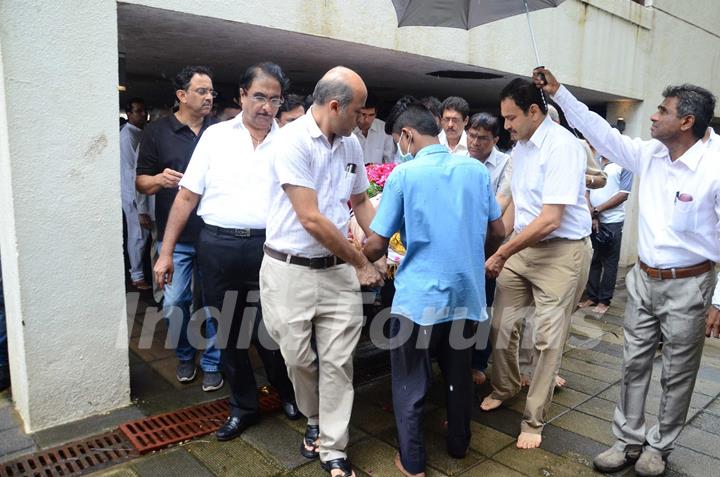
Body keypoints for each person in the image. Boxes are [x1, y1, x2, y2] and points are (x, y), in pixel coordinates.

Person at [536, 67, 720, 476]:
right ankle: (627, 440)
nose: (653, 117)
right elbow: (602, 133)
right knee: (633, 362)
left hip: (690, 284)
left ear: (686, 122)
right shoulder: (650, 153)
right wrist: (559, 93)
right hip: (643, 279)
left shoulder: (715, 166)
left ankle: (659, 446)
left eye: (662, 110)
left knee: (678, 371)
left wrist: (719, 301)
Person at [154, 63, 300, 441]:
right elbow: (187, 196)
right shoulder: (216, 137)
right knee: (230, 332)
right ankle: (244, 407)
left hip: (270, 248)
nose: (266, 106)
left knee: (273, 329)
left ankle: (289, 394)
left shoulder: (289, 141)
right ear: (241, 96)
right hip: (217, 246)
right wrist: (166, 251)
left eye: (273, 99)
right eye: (259, 97)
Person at [364, 97, 504, 477]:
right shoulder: (476, 171)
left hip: (419, 300)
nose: (399, 148)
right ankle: (459, 443)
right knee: (458, 374)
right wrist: (471, 257)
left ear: (406, 135)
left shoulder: (404, 176)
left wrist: (362, 251)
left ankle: (412, 462)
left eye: (398, 141)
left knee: (410, 380)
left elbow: (377, 243)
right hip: (466, 295)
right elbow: (498, 232)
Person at [260, 66, 383, 477]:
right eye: (359, 110)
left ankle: (333, 448)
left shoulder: (349, 145)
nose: (364, 118)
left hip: (336, 274)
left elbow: (361, 201)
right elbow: (311, 219)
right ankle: (313, 416)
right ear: (335, 106)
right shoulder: (291, 143)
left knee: (338, 362)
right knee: (297, 357)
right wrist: (362, 262)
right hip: (289, 270)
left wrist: (383, 247)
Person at [481, 78, 592, 450]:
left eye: (511, 118)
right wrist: (491, 239)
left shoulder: (562, 146)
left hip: (560, 252)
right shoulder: (520, 149)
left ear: (533, 111)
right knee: (501, 325)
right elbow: (515, 210)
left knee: (547, 340)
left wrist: (501, 253)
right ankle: (506, 386)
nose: (506, 126)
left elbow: (550, 219)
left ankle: (533, 418)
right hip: (521, 247)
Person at [136, 66, 222, 391]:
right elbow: (141, 182)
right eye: (201, 91)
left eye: (211, 91)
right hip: (177, 241)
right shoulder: (157, 132)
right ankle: (186, 355)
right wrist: (158, 179)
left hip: (214, 236)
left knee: (213, 302)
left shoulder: (220, 132)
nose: (209, 97)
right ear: (181, 95)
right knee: (174, 304)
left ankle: (213, 362)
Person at [465, 112, 510, 385]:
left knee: (485, 306)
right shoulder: (458, 161)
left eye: (483, 138)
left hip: (492, 246)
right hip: (464, 246)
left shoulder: (506, 165)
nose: (475, 142)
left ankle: (479, 362)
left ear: (495, 139)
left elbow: (500, 204)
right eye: (471, 135)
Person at [579, 158, 633, 314]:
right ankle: (591, 296)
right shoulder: (595, 162)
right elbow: (587, 190)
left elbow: (623, 194)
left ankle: (604, 300)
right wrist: (593, 214)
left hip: (613, 221)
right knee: (593, 259)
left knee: (609, 262)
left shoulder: (624, 164)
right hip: (594, 219)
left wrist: (597, 210)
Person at [120, 97, 151, 290]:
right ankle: (136, 275)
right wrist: (140, 205)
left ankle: (139, 273)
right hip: (133, 193)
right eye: (137, 111)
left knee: (142, 236)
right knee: (137, 236)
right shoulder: (128, 136)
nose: (142, 115)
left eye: (143, 111)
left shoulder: (139, 133)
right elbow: (134, 170)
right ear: (128, 114)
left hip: (140, 192)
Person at [353, 94, 394, 165]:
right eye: (363, 114)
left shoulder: (384, 129)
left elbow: (390, 160)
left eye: (371, 115)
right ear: (356, 113)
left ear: (376, 114)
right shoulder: (347, 129)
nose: (366, 119)